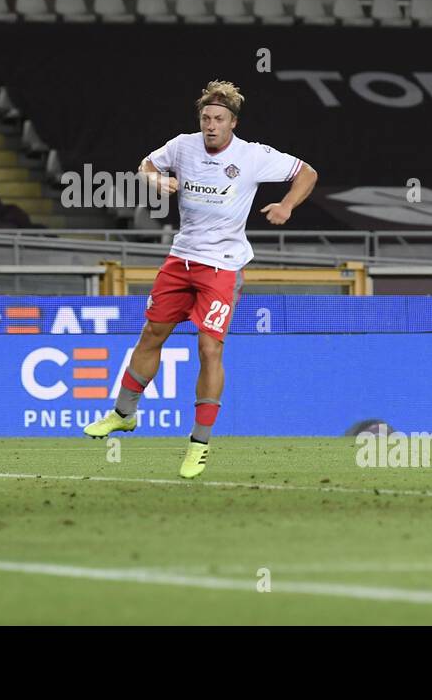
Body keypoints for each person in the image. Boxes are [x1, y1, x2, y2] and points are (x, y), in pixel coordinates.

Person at [83, 80, 317, 479]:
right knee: (151, 334)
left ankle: (198, 446)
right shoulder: (182, 146)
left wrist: (287, 205)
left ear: (233, 123)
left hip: (222, 266)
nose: (211, 125)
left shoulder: (253, 156)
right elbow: (146, 165)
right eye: (206, 118)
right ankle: (123, 414)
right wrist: (156, 180)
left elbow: (307, 172)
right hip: (181, 259)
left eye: (219, 119)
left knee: (209, 349)